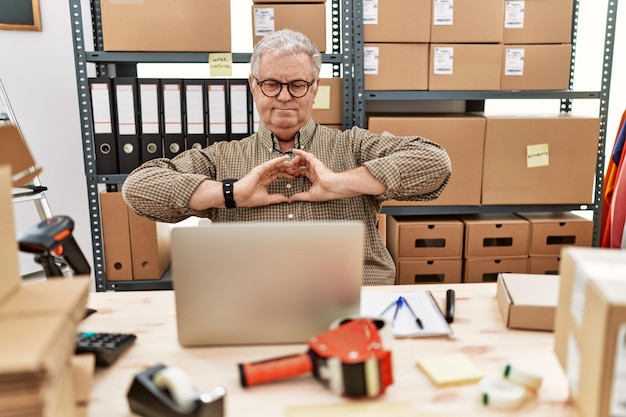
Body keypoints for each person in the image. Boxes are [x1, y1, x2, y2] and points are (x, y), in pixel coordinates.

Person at [122, 29, 451, 286]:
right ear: (253, 86)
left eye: (297, 84)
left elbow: (435, 163)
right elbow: (139, 188)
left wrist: (341, 183)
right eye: (271, 84)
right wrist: (231, 193)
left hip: (355, 306)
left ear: (314, 88)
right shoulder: (221, 157)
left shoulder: (353, 146)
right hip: (254, 308)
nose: (283, 96)